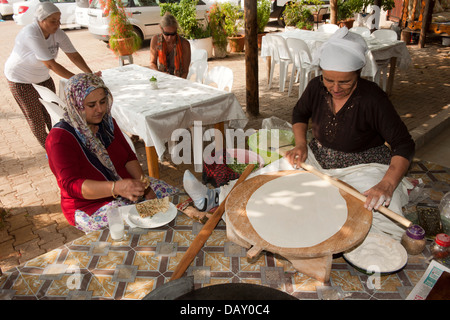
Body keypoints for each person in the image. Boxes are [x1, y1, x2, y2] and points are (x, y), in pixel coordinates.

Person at [184, 27, 416, 241]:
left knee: (381, 212)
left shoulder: (373, 98)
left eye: (345, 82)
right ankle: (214, 197)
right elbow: (299, 113)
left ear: (358, 73)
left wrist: (387, 183)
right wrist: (301, 144)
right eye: (329, 80)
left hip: (363, 166)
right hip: (318, 156)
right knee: (270, 174)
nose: (335, 88)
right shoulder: (316, 87)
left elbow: (403, 144)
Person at [45, 73, 179, 233]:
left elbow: (129, 157)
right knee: (136, 229)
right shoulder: (60, 138)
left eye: (103, 102)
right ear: (76, 105)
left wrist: (145, 185)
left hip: (126, 188)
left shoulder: (107, 123)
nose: (100, 109)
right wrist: (116, 188)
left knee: (174, 200)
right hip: (90, 205)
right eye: (91, 105)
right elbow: (71, 185)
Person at [4, 2, 100, 149]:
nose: (57, 24)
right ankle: (52, 151)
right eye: (53, 21)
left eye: (59, 20)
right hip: (21, 80)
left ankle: (60, 145)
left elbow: (73, 55)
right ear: (41, 21)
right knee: (36, 119)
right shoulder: (31, 33)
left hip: (42, 77)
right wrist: (79, 79)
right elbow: (51, 64)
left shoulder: (57, 33)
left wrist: (89, 74)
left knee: (54, 114)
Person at [149, 12, 191, 79]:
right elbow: (152, 63)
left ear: (176, 30)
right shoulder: (155, 40)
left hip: (179, 79)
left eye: (173, 34)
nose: (170, 38)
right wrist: (160, 75)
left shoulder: (184, 44)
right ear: (161, 28)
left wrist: (177, 82)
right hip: (161, 77)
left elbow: (185, 71)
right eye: (167, 34)